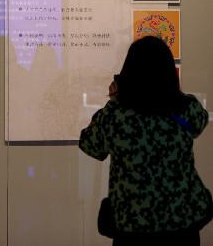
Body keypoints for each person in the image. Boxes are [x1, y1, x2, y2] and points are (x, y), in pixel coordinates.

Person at [79, 36, 213, 245]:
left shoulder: (116, 115)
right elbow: (200, 123)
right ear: (169, 72)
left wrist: (114, 101)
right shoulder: (186, 108)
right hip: (182, 222)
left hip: (131, 226)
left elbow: (91, 145)